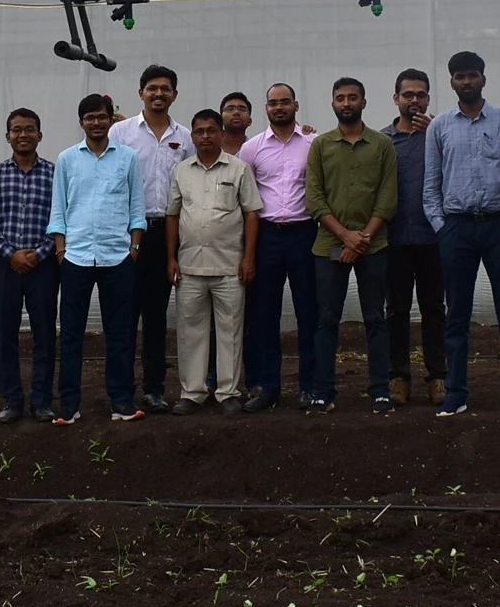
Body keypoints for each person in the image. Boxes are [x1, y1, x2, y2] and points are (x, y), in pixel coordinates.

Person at [424, 51, 500, 417]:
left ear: (483, 78)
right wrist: (443, 228)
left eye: (472, 75)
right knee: (457, 314)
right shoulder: (439, 127)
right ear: (452, 82)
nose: (466, 81)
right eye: (459, 76)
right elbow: (430, 186)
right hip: (456, 229)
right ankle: (456, 392)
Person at [49, 93, 146, 423]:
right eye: (89, 118)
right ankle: (69, 403)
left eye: (101, 117)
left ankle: (120, 400)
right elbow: (59, 209)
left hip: (118, 256)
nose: (96, 122)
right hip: (75, 257)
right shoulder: (67, 159)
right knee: (72, 333)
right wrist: (61, 251)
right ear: (81, 123)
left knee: (119, 333)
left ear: (111, 119)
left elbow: (136, 207)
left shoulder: (128, 158)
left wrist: (133, 249)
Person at [306, 77, 397, 413]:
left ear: (364, 102)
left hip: (373, 246)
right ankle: (323, 391)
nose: (346, 103)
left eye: (353, 97)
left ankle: (380, 390)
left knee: (375, 317)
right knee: (327, 318)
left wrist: (362, 239)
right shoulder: (321, 145)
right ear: (333, 104)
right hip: (329, 245)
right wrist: (345, 236)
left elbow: (387, 198)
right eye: (340, 98)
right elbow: (314, 198)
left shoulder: (382, 144)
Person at [168, 108, 262, 414]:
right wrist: (171, 258)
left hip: (230, 265)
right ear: (192, 136)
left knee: (230, 330)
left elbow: (251, 213)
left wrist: (248, 257)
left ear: (222, 134)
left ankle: (227, 392)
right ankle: (192, 392)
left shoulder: (238, 169)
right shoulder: (182, 171)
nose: (205, 136)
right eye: (199, 131)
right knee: (190, 331)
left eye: (211, 130)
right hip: (190, 265)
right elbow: (172, 215)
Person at [109, 64, 191, 412]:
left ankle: (154, 388)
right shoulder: (121, 132)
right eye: (152, 88)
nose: (159, 94)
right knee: (124, 315)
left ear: (174, 93)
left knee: (156, 317)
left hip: (167, 234)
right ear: (141, 91)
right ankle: (121, 388)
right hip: (127, 234)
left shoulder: (184, 136)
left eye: (166, 89)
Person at [238, 84, 322, 412]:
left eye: (285, 102)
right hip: (267, 236)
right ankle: (268, 387)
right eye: (273, 103)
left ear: (296, 105)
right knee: (264, 315)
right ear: (266, 108)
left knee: (308, 312)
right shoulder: (252, 148)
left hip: (305, 234)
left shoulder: (314, 144)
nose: (279, 108)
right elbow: (245, 200)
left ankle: (309, 385)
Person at [0, 108, 58, 423]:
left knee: (44, 334)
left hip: (44, 265)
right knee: (4, 333)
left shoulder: (55, 174)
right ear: (8, 136)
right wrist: (11, 253)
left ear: (40, 134)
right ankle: (12, 399)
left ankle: (41, 400)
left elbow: (62, 219)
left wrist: (39, 254)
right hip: (3, 265)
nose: (23, 135)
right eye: (16, 130)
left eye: (29, 129)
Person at [383, 69, 446, 406]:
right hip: (393, 239)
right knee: (396, 311)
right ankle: (398, 377)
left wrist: (436, 130)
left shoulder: (439, 134)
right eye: (408, 95)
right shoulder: (382, 140)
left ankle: (438, 377)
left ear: (428, 99)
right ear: (396, 99)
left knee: (435, 309)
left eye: (420, 95)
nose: (414, 100)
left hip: (434, 238)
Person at [219, 91, 253, 156]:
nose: (236, 112)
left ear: (250, 121)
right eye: (230, 109)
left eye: (242, 109)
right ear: (220, 120)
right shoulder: (205, 148)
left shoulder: (256, 149)